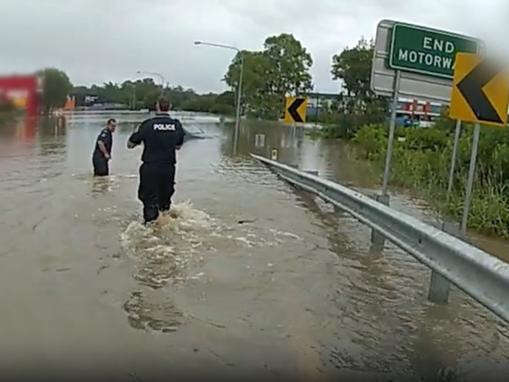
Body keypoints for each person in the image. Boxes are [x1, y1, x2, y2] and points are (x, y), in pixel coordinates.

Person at [127, 98, 185, 224]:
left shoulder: (147, 124)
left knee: (149, 200)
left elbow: (130, 144)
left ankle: (150, 230)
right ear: (170, 106)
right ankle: (164, 225)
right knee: (165, 200)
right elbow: (178, 146)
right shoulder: (176, 125)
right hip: (168, 168)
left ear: (157, 106)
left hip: (151, 167)